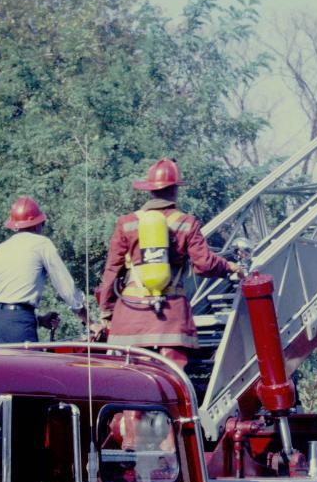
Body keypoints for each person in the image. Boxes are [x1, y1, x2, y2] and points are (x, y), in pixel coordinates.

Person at [96, 158, 240, 369]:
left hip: (130, 316)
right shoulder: (185, 222)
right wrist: (229, 267)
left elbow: (112, 271)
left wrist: (107, 310)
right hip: (170, 317)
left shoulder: (126, 223)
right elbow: (205, 264)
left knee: (130, 379)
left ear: (150, 191)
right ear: (175, 190)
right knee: (171, 380)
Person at [0, 196, 87, 344]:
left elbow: (7, 303)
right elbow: (66, 288)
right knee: (30, 367)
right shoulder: (41, 244)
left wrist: (40, 321)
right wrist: (88, 319)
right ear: (37, 225)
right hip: (17, 323)